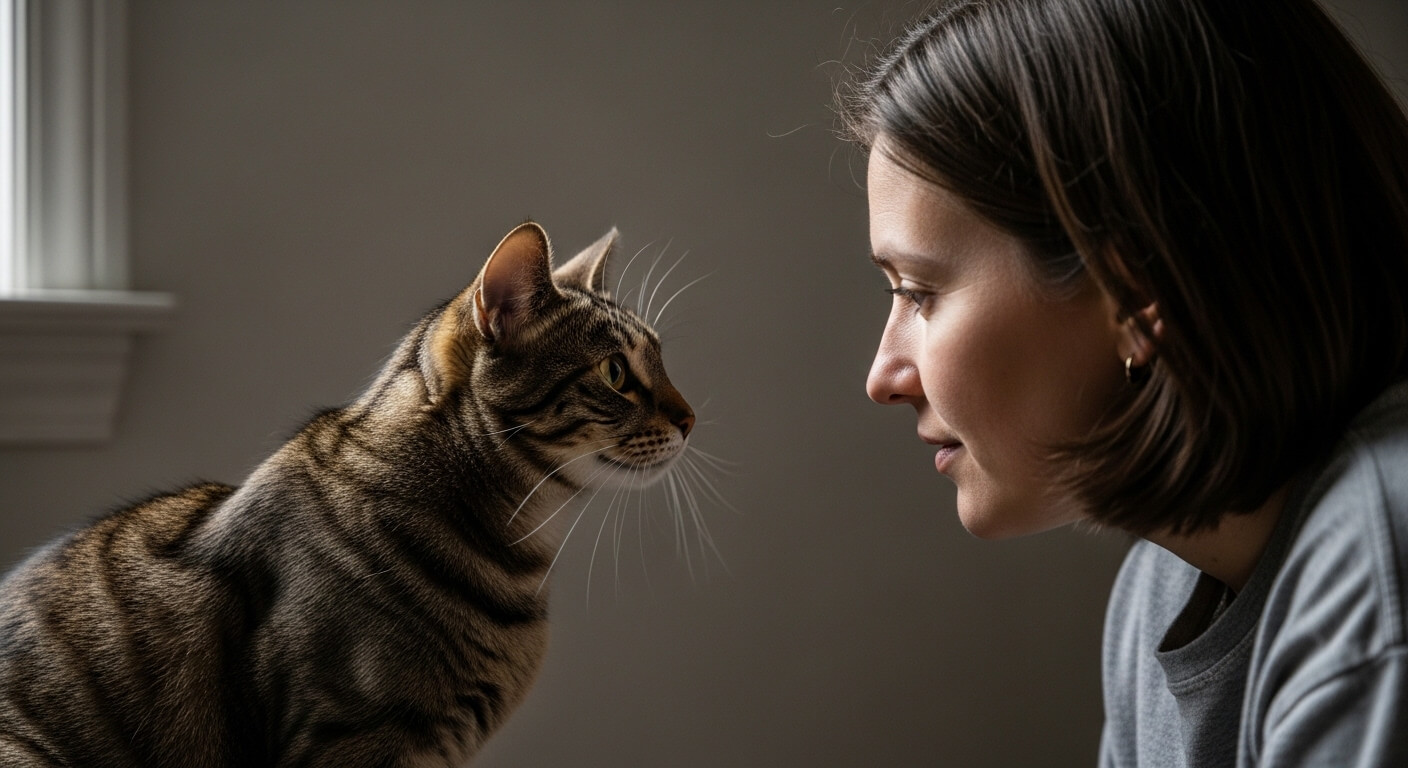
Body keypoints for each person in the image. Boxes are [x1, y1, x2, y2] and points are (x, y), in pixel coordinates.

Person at [842, 0, 1408, 764]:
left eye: (919, 292)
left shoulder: (1378, 577)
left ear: (1137, 298)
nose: (883, 377)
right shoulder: (1159, 596)